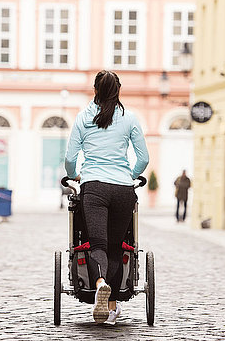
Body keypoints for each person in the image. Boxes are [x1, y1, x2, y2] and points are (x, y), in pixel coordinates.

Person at [65, 70, 149, 324]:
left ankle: (100, 283)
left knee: (97, 245)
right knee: (114, 247)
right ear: (118, 90)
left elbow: (70, 158)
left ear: (95, 90)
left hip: (94, 187)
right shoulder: (129, 118)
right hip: (123, 189)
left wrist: (76, 175)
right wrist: (130, 175)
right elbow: (143, 158)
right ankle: (111, 307)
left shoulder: (83, 117)